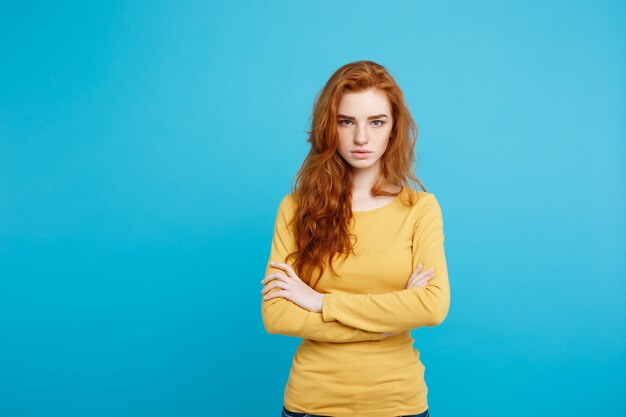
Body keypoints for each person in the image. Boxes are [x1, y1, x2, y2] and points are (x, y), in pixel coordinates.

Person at [260, 60, 450, 417]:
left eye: (376, 122)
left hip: (398, 403)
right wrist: (385, 321)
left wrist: (321, 303)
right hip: (312, 402)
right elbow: (277, 316)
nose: (361, 137)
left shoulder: (420, 209)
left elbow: (432, 306)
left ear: (393, 129)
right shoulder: (295, 208)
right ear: (328, 128)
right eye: (346, 121)